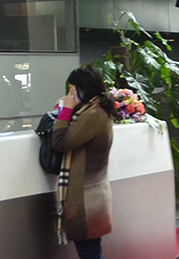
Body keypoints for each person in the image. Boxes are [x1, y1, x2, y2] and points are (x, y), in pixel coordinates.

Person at [51, 64, 118, 259]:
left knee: (90, 253)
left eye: (72, 90)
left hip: (87, 198)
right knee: (91, 252)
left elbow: (60, 142)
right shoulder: (94, 110)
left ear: (83, 89)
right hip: (91, 194)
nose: (69, 95)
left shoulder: (93, 115)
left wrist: (66, 110)